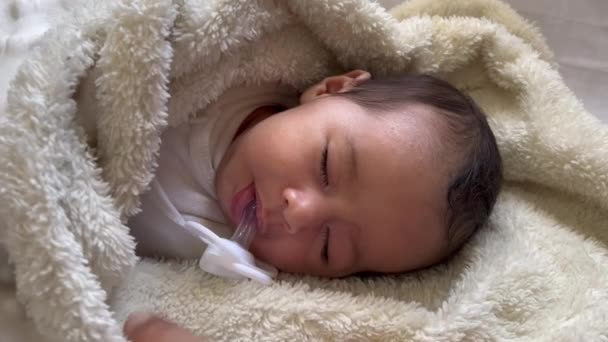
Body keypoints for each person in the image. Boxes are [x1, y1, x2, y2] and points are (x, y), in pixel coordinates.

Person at [127, 70, 502, 277]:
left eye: (329, 248)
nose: (298, 213)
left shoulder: (234, 269)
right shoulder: (232, 73)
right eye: (325, 166)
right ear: (331, 89)